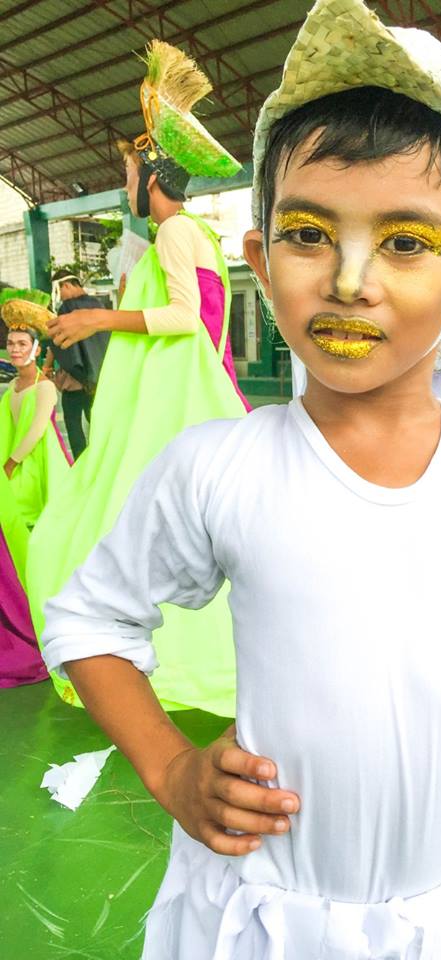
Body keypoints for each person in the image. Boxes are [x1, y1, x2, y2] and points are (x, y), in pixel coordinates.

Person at [40, 4, 441, 958]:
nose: (351, 280)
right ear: (260, 260)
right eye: (310, 234)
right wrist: (172, 769)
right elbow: (90, 620)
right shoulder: (217, 467)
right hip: (264, 918)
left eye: (406, 242)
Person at [27, 41, 251, 714]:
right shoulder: (178, 238)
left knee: (114, 520)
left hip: (175, 406)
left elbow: (184, 319)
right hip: (168, 399)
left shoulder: (178, 233)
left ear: (153, 176)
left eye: (128, 172)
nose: (125, 185)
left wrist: (99, 318)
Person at [0, 301, 71, 687]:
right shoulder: (11, 388)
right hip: (13, 475)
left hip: (37, 472)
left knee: (40, 542)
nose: (15, 349)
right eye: (11, 343)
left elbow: (37, 429)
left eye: (22, 343)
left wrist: (11, 463)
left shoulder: (44, 387)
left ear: (37, 347)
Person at [41, 268, 110, 458]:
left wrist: (46, 367)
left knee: (73, 425)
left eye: (59, 291)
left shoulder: (66, 309)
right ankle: (101, 460)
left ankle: (80, 464)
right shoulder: (99, 306)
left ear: (66, 286)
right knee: (97, 422)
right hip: (98, 379)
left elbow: (58, 343)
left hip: (74, 381)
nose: (60, 297)